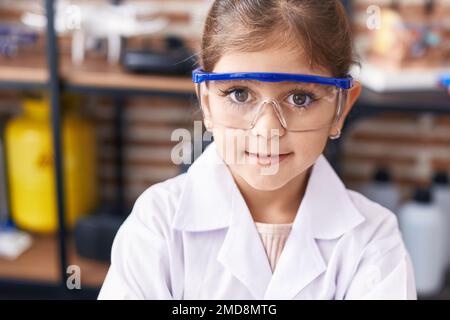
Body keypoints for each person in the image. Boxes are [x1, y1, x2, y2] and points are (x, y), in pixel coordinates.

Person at [98, 0, 416, 300]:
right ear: (206, 102)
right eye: (239, 94)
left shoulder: (374, 241)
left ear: (341, 109)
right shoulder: (158, 224)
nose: (267, 130)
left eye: (300, 98)